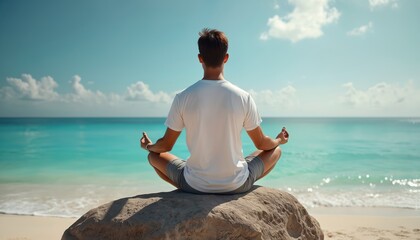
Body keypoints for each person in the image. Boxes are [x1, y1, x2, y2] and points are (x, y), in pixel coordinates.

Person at [140, 28, 289, 194]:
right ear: (226, 58)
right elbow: (262, 144)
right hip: (236, 184)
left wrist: (149, 146)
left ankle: (191, 189)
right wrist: (278, 141)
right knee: (276, 150)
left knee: (153, 156)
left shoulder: (183, 97)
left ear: (200, 58)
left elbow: (166, 145)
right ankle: (238, 185)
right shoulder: (243, 97)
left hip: (195, 184)